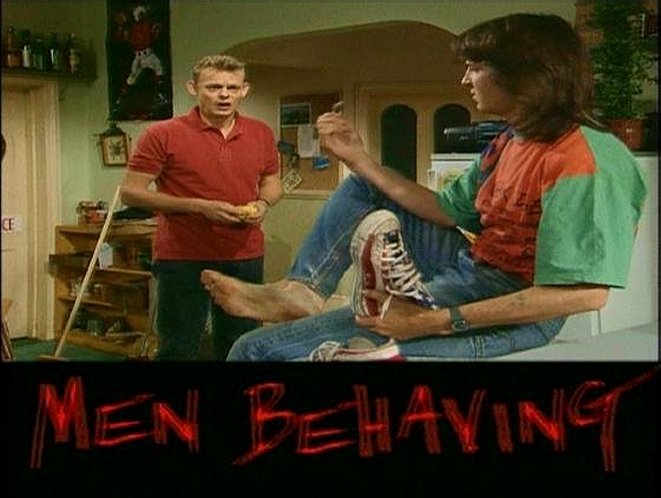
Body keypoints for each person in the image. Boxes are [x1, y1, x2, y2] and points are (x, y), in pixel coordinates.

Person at [201, 13, 648, 361]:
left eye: (476, 67)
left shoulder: (586, 158)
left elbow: (584, 294)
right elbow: (446, 212)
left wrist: (432, 321)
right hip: (474, 264)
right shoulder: (511, 139)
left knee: (254, 349)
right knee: (364, 185)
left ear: (527, 74)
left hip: (516, 306)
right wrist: (359, 159)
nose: (465, 79)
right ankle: (304, 289)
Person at [120, 54, 282, 361]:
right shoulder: (163, 133)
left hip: (244, 254)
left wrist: (262, 203)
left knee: (241, 344)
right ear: (193, 88)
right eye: (214, 87)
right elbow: (130, 193)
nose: (224, 95)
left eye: (232, 88)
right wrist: (198, 206)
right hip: (183, 256)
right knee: (178, 346)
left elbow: (273, 183)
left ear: (244, 90)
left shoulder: (261, 132)